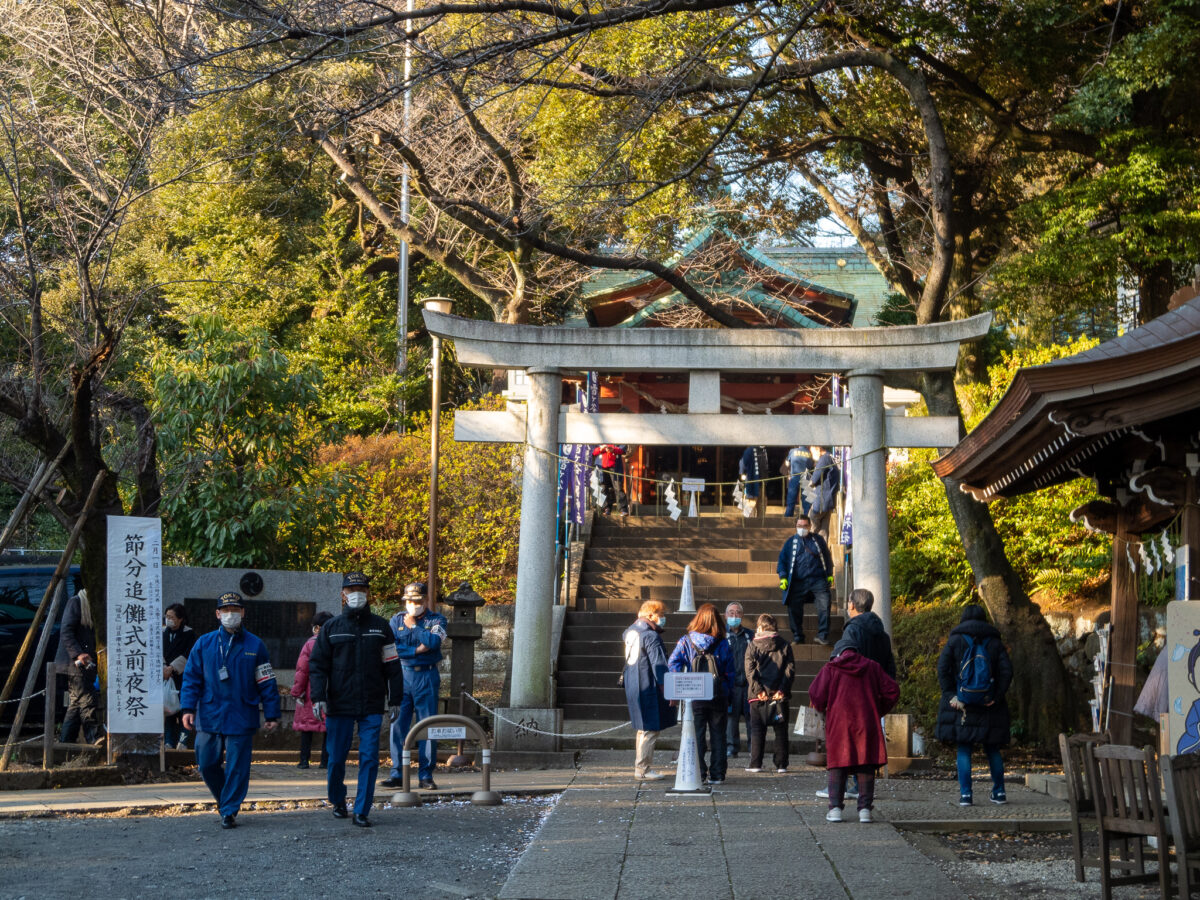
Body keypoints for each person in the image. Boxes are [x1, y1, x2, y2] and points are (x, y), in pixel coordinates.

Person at [309, 573, 404, 827]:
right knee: (336, 757)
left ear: (368, 592)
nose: (357, 593)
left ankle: (362, 809)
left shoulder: (382, 627)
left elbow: (393, 666)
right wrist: (318, 697)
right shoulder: (331, 628)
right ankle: (338, 800)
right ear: (343, 594)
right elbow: (317, 665)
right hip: (339, 704)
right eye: (352, 589)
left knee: (370, 757)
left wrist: (395, 699)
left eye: (362, 588)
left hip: (372, 704)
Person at [180, 592, 281, 829]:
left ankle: (228, 810)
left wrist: (272, 712)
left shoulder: (255, 645)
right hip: (210, 713)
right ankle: (226, 799)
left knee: (238, 766)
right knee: (206, 763)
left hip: (241, 714)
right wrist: (187, 707)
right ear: (217, 614)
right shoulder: (203, 644)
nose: (230, 614)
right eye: (225, 610)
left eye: (235, 610)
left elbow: (266, 681)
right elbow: (191, 678)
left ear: (243, 612)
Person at [809, 646, 899, 823]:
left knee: (838, 764)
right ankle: (865, 809)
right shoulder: (872, 667)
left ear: (838, 653)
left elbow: (815, 693)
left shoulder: (831, 668)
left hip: (839, 723)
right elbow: (892, 691)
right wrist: (878, 709)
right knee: (865, 763)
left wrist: (822, 708)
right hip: (866, 722)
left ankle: (835, 808)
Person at [936, 604, 1014, 807]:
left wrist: (952, 695)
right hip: (989, 703)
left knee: (964, 749)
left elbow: (942, 668)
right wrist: (996, 696)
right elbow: (1007, 671)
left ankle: (966, 795)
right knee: (992, 749)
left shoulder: (955, 640)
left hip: (963, 704)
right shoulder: (995, 642)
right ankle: (999, 793)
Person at [384, 581, 447, 791]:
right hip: (402, 675)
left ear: (426, 600)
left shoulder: (437, 619)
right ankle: (397, 774)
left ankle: (426, 775)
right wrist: (417, 650)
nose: (413, 604)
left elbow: (434, 642)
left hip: (427, 676)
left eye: (418, 601)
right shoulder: (395, 620)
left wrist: (414, 627)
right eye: (409, 601)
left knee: (427, 726)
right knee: (397, 726)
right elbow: (391, 649)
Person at [667, 603, 735, 785]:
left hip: (694, 693)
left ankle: (698, 772)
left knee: (696, 734)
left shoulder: (686, 641)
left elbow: (673, 662)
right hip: (718, 694)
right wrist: (726, 689)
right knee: (718, 735)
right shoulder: (723, 642)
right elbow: (731, 671)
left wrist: (678, 684)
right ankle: (718, 774)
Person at [622, 600, 676, 780]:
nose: (663, 618)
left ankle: (641, 766)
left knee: (642, 728)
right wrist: (668, 690)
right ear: (651, 615)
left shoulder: (630, 631)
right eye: (661, 615)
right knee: (650, 728)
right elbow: (659, 665)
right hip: (648, 686)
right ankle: (642, 769)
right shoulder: (650, 636)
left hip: (633, 684)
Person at [745, 613, 795, 774]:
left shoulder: (753, 645)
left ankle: (756, 763)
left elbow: (750, 670)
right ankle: (781, 764)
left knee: (757, 730)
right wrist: (782, 690)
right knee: (781, 731)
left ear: (760, 627)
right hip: (779, 696)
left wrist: (758, 690)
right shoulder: (785, 645)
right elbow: (790, 670)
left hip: (757, 696)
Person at [777, 514, 834, 645]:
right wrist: (783, 577)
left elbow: (827, 556)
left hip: (818, 579)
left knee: (825, 604)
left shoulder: (818, 540)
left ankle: (823, 635)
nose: (802, 528)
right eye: (799, 526)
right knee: (793, 607)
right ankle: (798, 636)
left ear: (809, 526)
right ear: (795, 527)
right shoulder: (790, 542)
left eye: (805, 526)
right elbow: (782, 561)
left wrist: (829, 573)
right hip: (797, 581)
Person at [55, 589, 102, 745]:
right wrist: (78, 654)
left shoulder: (93, 606)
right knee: (88, 700)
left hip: (86, 663)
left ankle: (65, 744)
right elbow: (66, 631)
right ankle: (93, 739)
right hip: (76, 663)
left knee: (75, 705)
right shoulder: (76, 602)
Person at [290, 610, 334, 770]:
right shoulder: (335, 642)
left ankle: (304, 760)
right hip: (330, 691)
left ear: (316, 628)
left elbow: (302, 670)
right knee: (328, 729)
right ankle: (325, 761)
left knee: (306, 729)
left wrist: (297, 691)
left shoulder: (310, 644)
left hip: (309, 691)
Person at [836, 589, 896, 679]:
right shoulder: (883, 634)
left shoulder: (852, 630)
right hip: (879, 687)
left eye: (849, 602)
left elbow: (847, 662)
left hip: (860, 687)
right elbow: (890, 667)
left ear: (852, 605)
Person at [162, 603, 196, 749]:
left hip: (182, 677)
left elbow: (191, 653)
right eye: (167, 616)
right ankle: (168, 741)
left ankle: (183, 740)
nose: (168, 619)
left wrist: (173, 667)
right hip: (165, 677)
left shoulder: (190, 634)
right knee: (168, 709)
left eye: (171, 617)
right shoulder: (162, 633)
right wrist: (163, 668)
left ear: (180, 619)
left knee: (184, 709)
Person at [724, 602, 751, 758]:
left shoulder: (749, 635)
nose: (734, 616)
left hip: (748, 684)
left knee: (751, 718)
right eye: (731, 613)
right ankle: (731, 747)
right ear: (726, 615)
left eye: (738, 613)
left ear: (742, 615)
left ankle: (752, 747)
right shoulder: (721, 635)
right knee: (731, 719)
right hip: (730, 684)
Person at [808, 446, 841, 544]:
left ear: (817, 448)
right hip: (830, 500)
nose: (812, 454)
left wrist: (809, 484)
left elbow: (815, 479)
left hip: (821, 500)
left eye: (812, 451)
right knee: (824, 531)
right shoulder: (832, 458)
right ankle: (822, 554)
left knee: (811, 526)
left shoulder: (824, 459)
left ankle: (808, 552)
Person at [591, 443, 629, 516]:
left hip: (615, 466)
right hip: (601, 466)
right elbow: (593, 451)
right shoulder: (598, 439)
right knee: (602, 488)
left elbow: (623, 449)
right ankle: (605, 508)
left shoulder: (618, 437)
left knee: (618, 487)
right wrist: (601, 449)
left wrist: (613, 450)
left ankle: (623, 509)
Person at [781, 444, 813, 518]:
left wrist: (789, 473)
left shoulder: (792, 451)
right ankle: (807, 519)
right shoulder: (809, 452)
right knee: (808, 501)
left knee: (791, 500)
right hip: (806, 477)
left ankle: (788, 518)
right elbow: (811, 466)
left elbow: (787, 463)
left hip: (794, 477)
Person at [739, 445, 770, 520]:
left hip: (761, 483)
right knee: (751, 505)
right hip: (752, 483)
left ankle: (760, 523)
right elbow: (742, 463)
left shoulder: (764, 451)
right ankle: (750, 524)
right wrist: (742, 474)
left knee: (761, 505)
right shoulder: (749, 450)